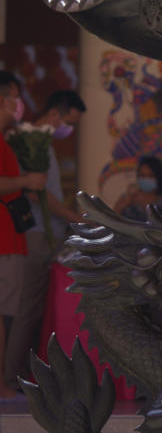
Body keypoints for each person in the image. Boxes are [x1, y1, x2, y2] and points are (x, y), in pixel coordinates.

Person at [4, 90, 86, 390]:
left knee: (35, 310)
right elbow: (39, 196)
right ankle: (10, 377)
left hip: (45, 232)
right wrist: (73, 217)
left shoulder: (43, 145)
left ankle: (22, 372)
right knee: (26, 310)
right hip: (35, 233)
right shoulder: (28, 143)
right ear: (54, 114)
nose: (69, 130)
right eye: (69, 122)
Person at [0, 72, 46, 399]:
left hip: (10, 235)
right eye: (15, 98)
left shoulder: (6, 139)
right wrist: (27, 182)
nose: (19, 105)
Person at [114, 156, 162, 221]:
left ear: (159, 178)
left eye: (150, 176)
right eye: (142, 175)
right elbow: (110, 222)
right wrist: (123, 205)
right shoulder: (125, 199)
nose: (146, 179)